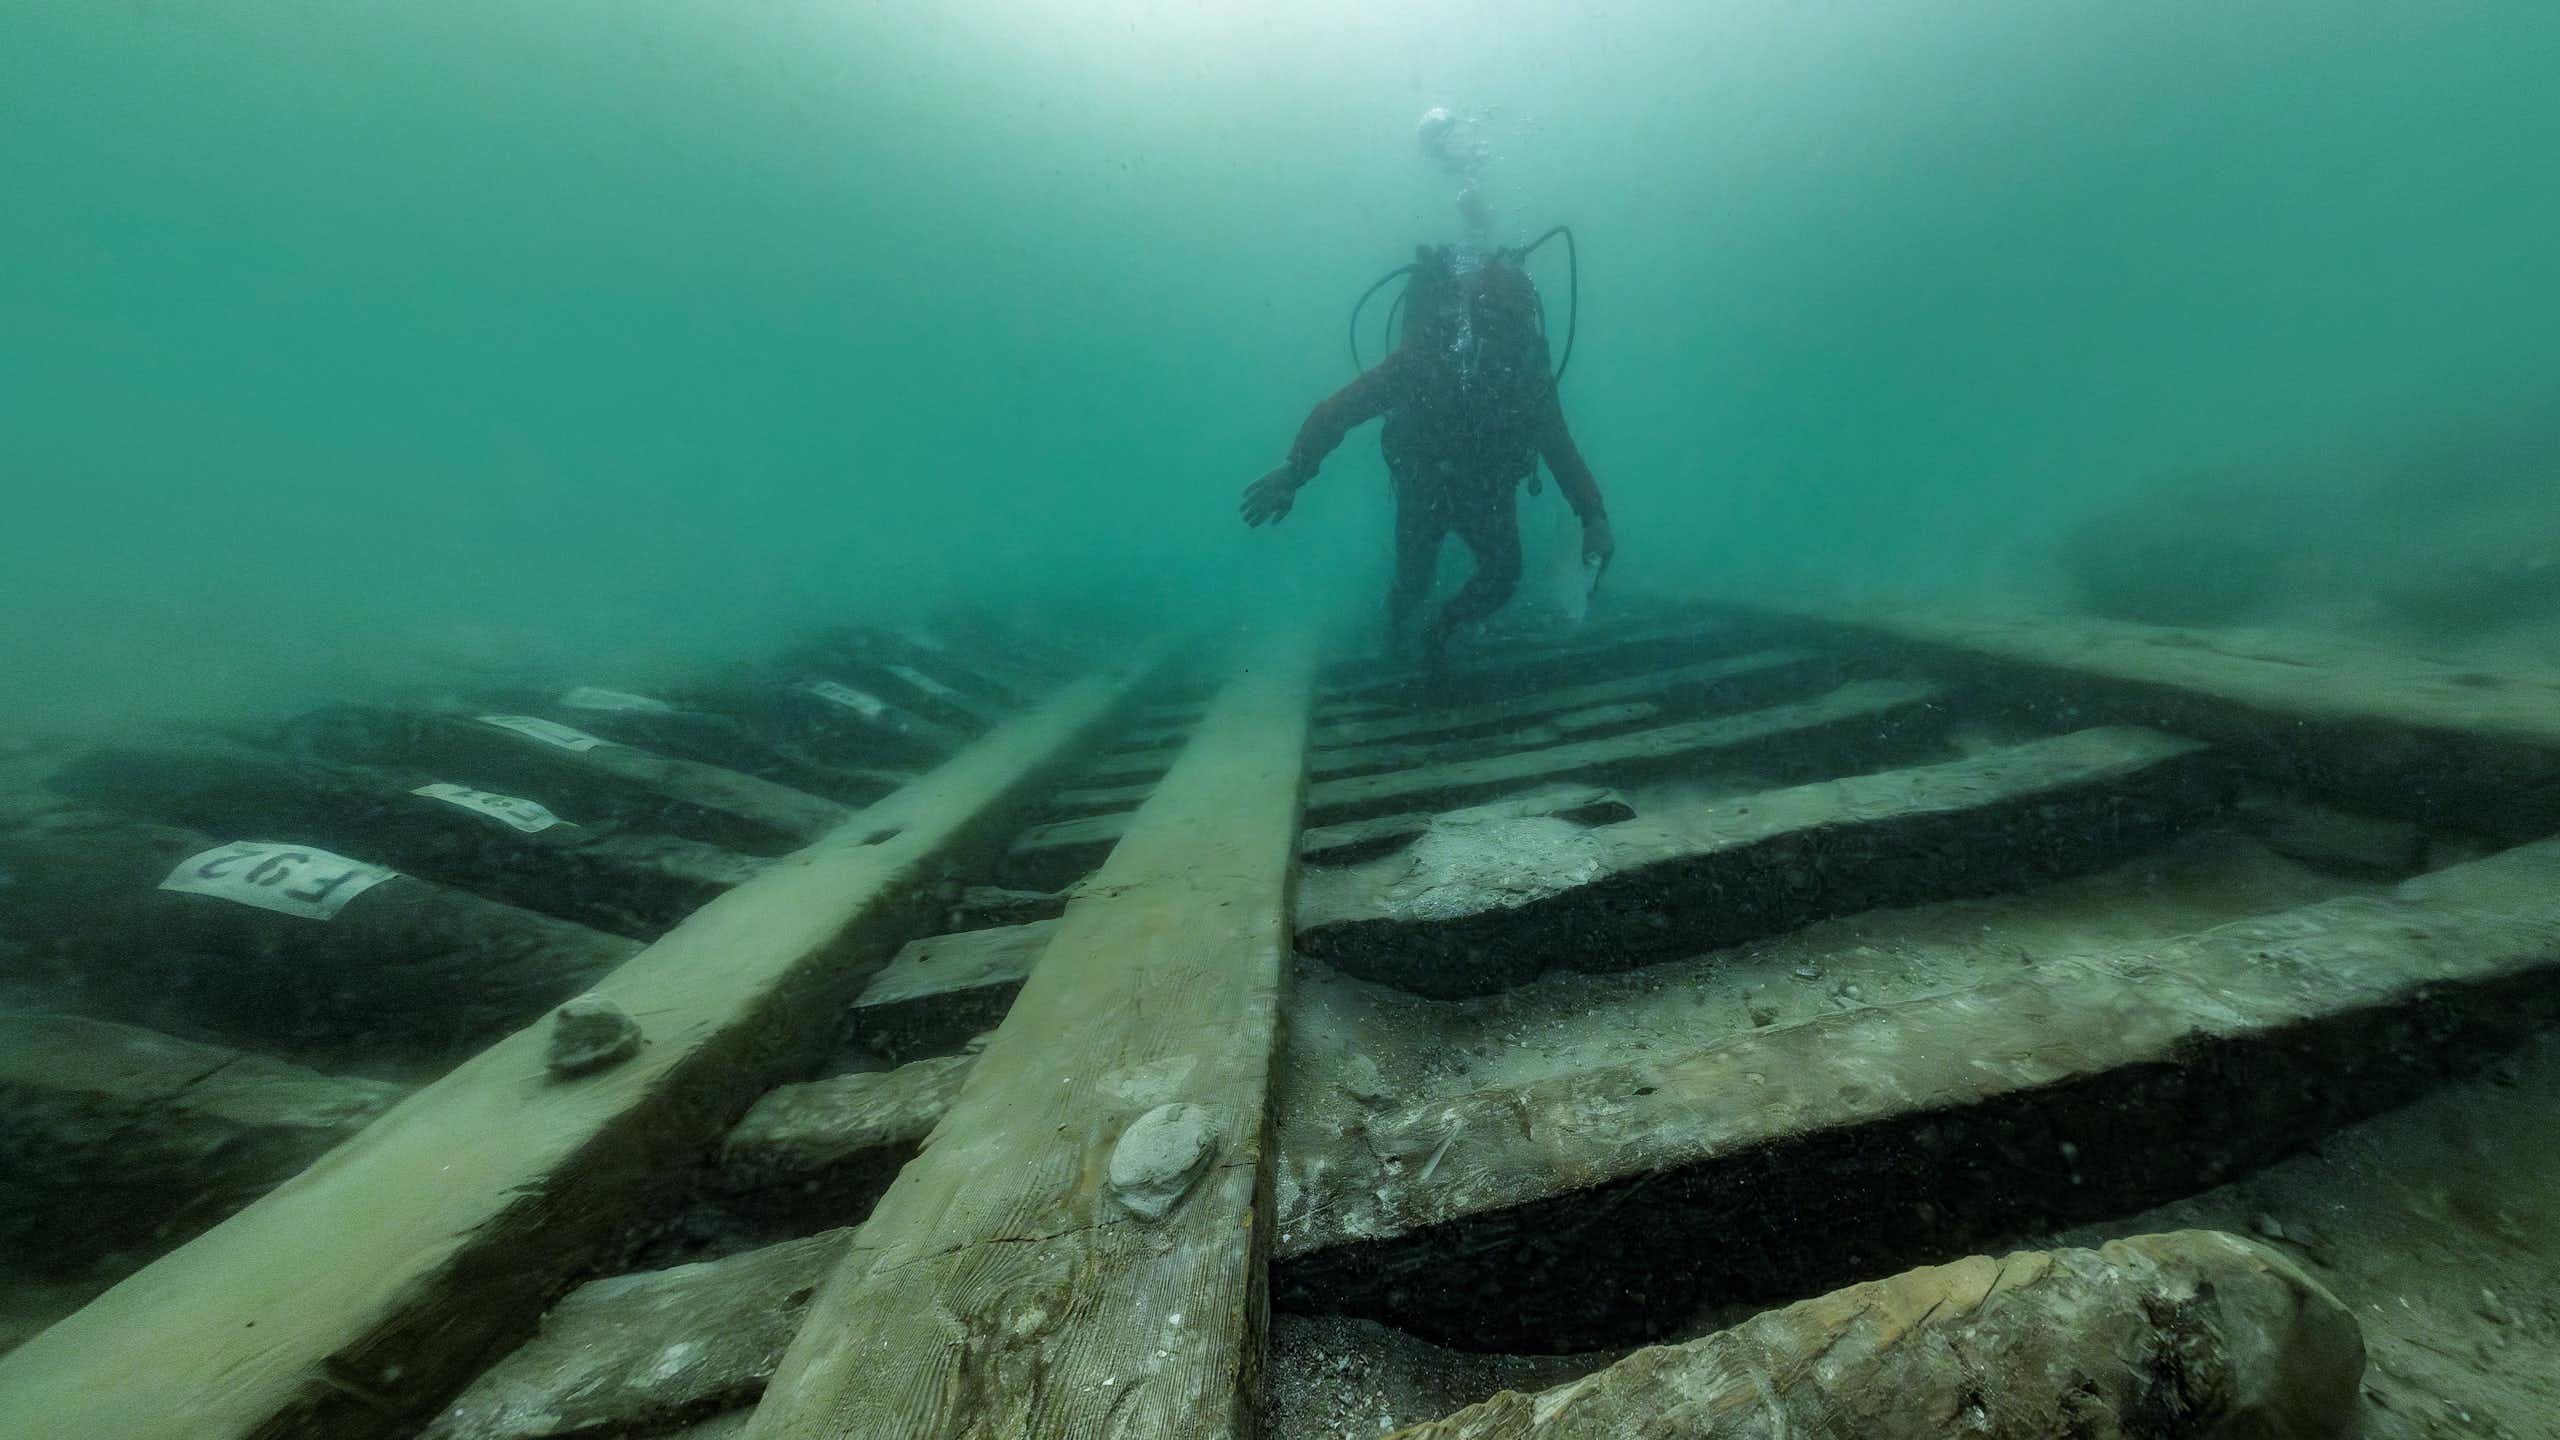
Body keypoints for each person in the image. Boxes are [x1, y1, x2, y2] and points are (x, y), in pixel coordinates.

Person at [1239, 243, 1614, 661]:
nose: (1506, 344)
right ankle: (1397, 628)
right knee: (1414, 580)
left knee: (1503, 576)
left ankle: (1439, 631)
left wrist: (1593, 516)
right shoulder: (1424, 361)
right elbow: (1340, 411)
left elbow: (1558, 444)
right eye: (1501, 328)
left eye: (1517, 328)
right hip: (1426, 482)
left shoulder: (1526, 371)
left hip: (1481, 489)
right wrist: (1294, 471)